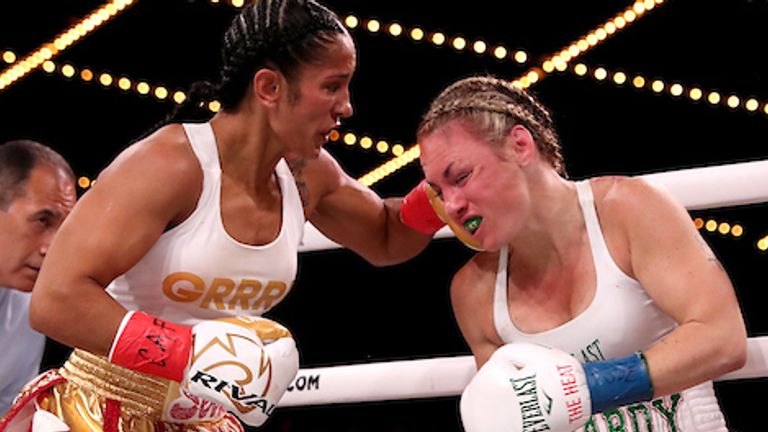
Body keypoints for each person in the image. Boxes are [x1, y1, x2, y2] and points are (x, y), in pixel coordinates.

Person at [0, 1, 437, 431]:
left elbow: (386, 235)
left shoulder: (309, 173)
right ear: (269, 88)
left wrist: (453, 188)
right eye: (332, 86)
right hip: (103, 410)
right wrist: (186, 355)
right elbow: (54, 300)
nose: (347, 107)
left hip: (204, 421)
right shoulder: (170, 164)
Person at [414, 75, 747, 431]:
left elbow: (722, 337)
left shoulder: (626, 210)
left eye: (461, 177)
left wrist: (585, 387)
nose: (452, 205)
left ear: (520, 145)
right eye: (439, 191)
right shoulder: (474, 291)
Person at [0, 139, 76, 416]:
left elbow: (9, 416)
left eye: (64, 229)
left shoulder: (29, 306)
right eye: (43, 220)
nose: (53, 248)